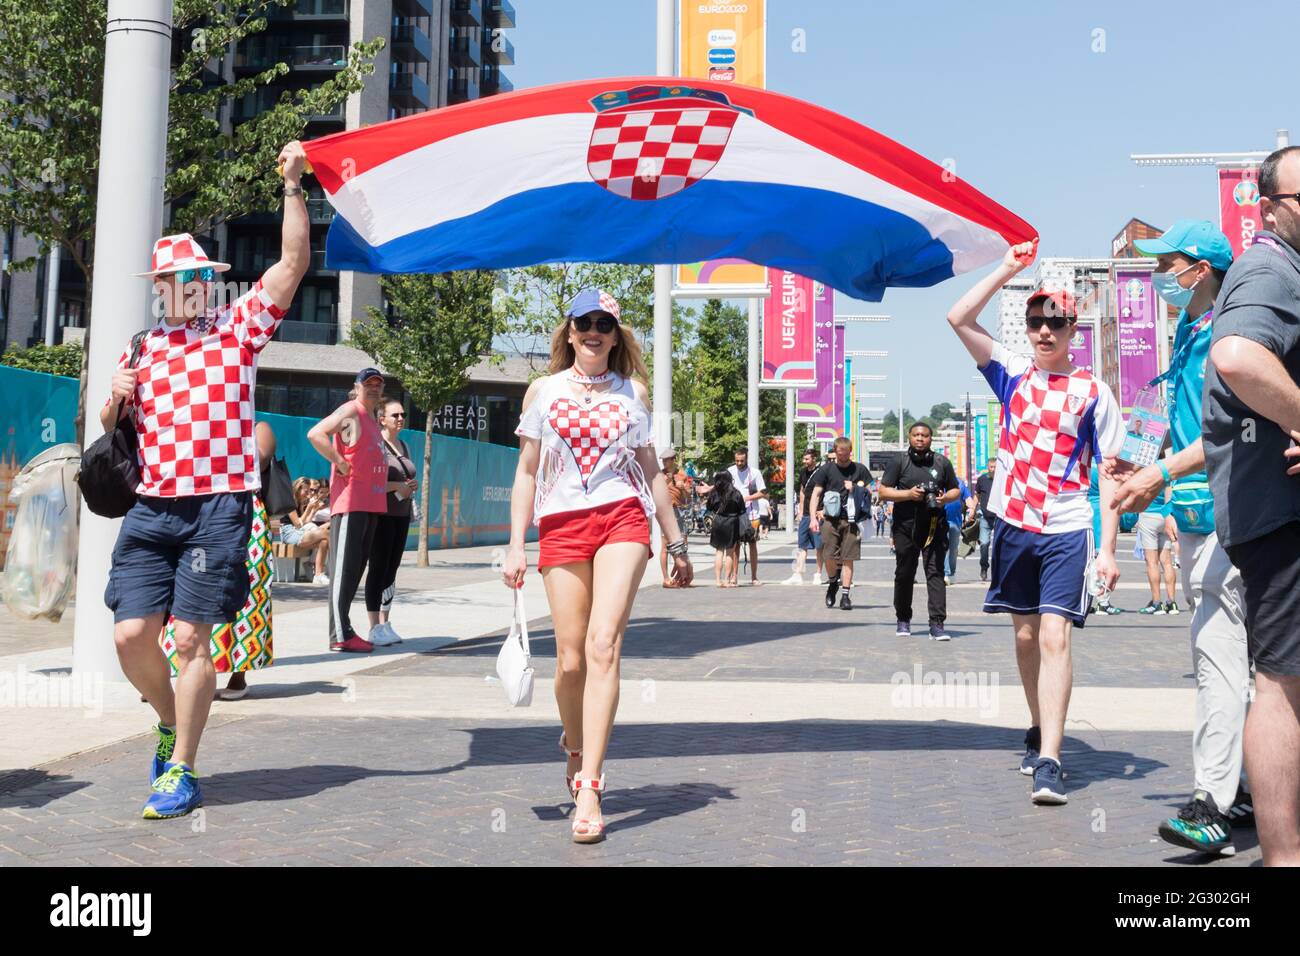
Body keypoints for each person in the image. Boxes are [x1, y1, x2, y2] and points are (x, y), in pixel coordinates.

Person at [102, 142, 310, 819]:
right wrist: (111, 403)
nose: (186, 285)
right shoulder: (141, 347)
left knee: (191, 639)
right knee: (131, 634)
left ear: (207, 280)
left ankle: (181, 770)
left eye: (196, 274)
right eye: (174, 278)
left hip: (216, 508)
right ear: (159, 288)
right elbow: (110, 432)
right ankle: (169, 721)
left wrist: (292, 186)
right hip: (150, 508)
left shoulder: (237, 329)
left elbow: (293, 263)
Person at [502, 288, 692, 845]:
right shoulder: (544, 390)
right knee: (568, 659)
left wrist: (675, 543)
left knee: (603, 645)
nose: (594, 332)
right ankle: (575, 741)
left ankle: (590, 785)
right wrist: (516, 544)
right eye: (584, 322)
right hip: (561, 525)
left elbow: (651, 469)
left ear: (615, 335)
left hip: (622, 520)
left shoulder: (633, 392)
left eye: (604, 325)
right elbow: (527, 473)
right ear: (568, 331)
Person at [947, 240, 1124, 806]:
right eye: (1035, 322)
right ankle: (1036, 725)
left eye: (1056, 323)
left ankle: (1051, 757)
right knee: (1024, 635)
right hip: (1014, 525)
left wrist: (1110, 549)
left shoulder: (1096, 393)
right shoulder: (1011, 374)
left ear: (1075, 330)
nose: (1044, 332)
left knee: (1054, 634)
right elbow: (957, 316)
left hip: (1068, 524)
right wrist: (1007, 268)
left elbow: (1112, 476)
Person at [1110, 218, 1253, 856]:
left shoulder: (1231, 328)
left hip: (1235, 510)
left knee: (1218, 659)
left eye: (1169, 264)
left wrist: (1157, 473)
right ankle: (1247, 785)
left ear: (1202, 269)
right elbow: (1181, 417)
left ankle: (1212, 804)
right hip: (1200, 512)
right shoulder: (1189, 329)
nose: (1160, 275)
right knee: (1243, 664)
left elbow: (1226, 429)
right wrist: (1142, 463)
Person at [1199, 147, 1300, 865]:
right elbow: (1236, 356)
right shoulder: (1270, 269)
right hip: (1282, 514)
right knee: (1283, 686)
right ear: (1267, 208)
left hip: (1271, 508)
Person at [308, 368, 389, 653]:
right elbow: (316, 434)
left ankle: (345, 628)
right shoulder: (351, 410)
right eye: (369, 384)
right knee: (343, 572)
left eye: (379, 385)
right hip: (351, 503)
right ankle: (339, 634)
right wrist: (339, 462)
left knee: (354, 570)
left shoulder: (370, 419)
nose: (374, 389)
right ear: (357, 387)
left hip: (370, 504)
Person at [878, 424, 960, 637]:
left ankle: (937, 623)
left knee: (935, 573)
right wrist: (908, 495)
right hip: (905, 527)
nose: (920, 439)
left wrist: (944, 500)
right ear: (909, 437)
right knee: (905, 573)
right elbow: (883, 491)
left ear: (931, 438)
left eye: (924, 435)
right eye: (916, 435)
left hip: (934, 526)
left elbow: (955, 490)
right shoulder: (900, 461)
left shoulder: (941, 462)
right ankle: (903, 619)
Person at [364, 397, 419, 645]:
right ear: (381, 419)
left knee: (392, 569)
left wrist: (409, 487)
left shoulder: (404, 446)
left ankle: (386, 622)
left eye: (402, 415)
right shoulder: (377, 446)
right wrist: (397, 485)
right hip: (382, 515)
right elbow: (369, 481)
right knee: (378, 568)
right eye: (395, 415)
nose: (400, 419)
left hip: (401, 514)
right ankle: (373, 626)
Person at [808, 437, 873, 611]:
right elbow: (816, 493)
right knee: (828, 555)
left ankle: (845, 595)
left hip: (852, 520)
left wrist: (856, 488)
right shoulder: (827, 469)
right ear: (835, 452)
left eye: (845, 454)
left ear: (850, 451)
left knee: (848, 557)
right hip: (830, 519)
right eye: (839, 454)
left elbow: (871, 492)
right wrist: (813, 517)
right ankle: (832, 582)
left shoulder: (859, 469)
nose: (842, 457)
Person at [781, 448, 824, 586]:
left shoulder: (821, 472)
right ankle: (798, 573)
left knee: (819, 546)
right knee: (802, 544)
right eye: (804, 459)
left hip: (818, 513)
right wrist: (800, 510)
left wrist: (823, 509)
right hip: (805, 513)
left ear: (814, 459)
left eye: (807, 459)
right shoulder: (803, 473)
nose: (804, 461)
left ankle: (818, 574)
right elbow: (802, 491)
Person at [1135, 490, 1179, 615]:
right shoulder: (1167, 472)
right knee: (1167, 563)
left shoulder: (1145, 471)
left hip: (1149, 515)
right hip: (1165, 516)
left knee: (1152, 562)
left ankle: (1156, 602)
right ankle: (1172, 602)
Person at [280, 477, 331, 583]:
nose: (308, 494)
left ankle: (318, 575)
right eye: (306, 491)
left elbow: (305, 521)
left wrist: (313, 509)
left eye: (310, 491)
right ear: (298, 489)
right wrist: (309, 508)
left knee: (324, 541)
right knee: (326, 533)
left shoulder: (300, 502)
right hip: (289, 533)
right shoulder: (289, 501)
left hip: (297, 531)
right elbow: (298, 524)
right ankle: (336, 567)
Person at [658, 448, 691, 588]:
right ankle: (666, 578)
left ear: (673, 460)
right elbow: (655, 491)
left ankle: (679, 577)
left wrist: (683, 488)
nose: (664, 463)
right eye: (663, 460)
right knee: (666, 546)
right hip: (666, 510)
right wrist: (666, 481)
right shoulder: (660, 475)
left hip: (679, 510)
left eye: (666, 460)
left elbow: (688, 497)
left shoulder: (682, 474)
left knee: (682, 545)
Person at [706, 470, 745, 587]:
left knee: (719, 552)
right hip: (732, 523)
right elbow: (742, 510)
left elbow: (709, 507)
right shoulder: (736, 493)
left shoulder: (714, 492)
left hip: (718, 522)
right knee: (729, 553)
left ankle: (718, 580)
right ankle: (727, 580)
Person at [943, 475, 977, 586]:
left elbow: (968, 499)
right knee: (944, 547)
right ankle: (945, 573)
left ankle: (951, 574)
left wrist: (971, 509)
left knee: (953, 548)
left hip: (955, 521)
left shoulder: (960, 483)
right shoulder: (939, 480)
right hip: (940, 520)